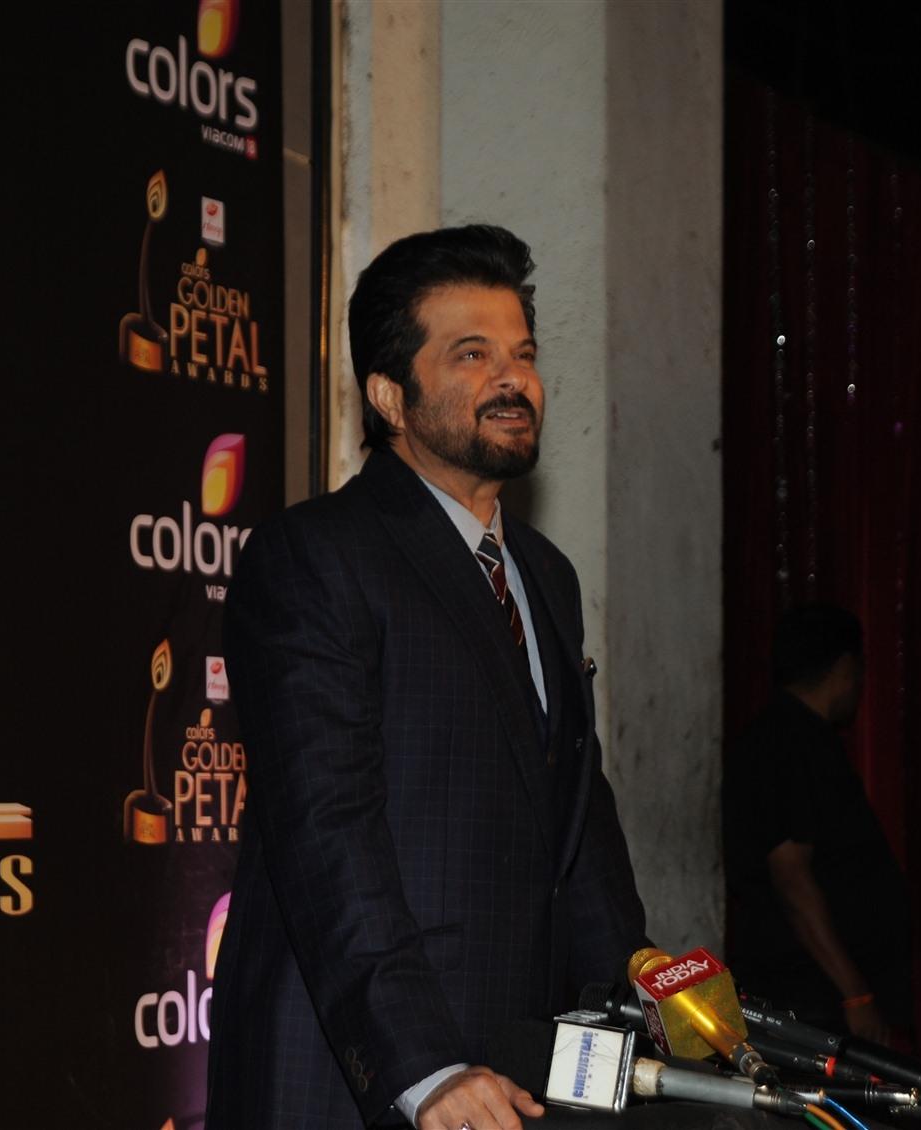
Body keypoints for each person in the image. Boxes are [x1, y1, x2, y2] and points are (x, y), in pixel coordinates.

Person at [205, 225, 649, 1130]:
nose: (513, 380)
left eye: (524, 354)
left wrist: (643, 995)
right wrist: (423, 1067)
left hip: (518, 1069)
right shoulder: (315, 556)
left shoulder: (545, 574)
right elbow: (326, 830)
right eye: (472, 354)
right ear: (390, 396)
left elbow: (578, 825)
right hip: (369, 1079)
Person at [722, 604, 912, 1043]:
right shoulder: (790, 743)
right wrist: (855, 994)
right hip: (811, 1003)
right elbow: (792, 876)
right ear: (845, 667)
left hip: (816, 998)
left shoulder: (793, 739)